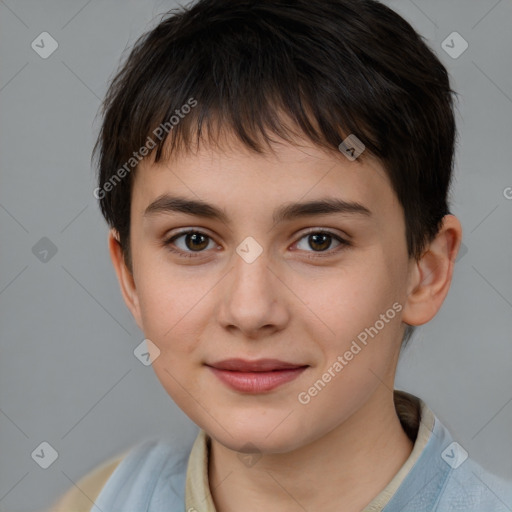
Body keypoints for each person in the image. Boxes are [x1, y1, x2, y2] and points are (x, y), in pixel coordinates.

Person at [52, 0, 512, 510]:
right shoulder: (97, 501)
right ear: (131, 277)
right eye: (194, 240)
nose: (249, 312)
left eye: (319, 240)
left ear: (425, 272)